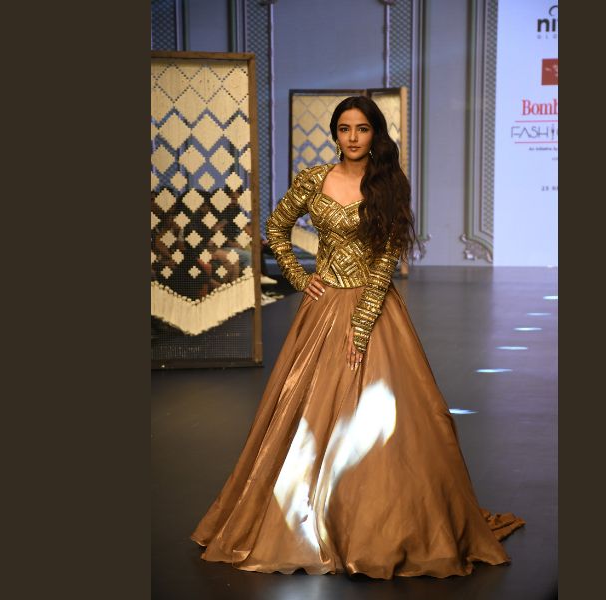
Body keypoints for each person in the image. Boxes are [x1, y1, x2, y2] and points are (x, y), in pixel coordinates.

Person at [191, 96, 525, 579]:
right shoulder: (313, 179)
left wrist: (363, 323)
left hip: (375, 306)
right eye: (344, 128)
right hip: (322, 307)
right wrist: (300, 277)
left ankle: (375, 527)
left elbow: (386, 259)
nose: (352, 137)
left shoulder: (388, 184)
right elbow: (275, 228)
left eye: (362, 128)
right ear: (334, 133)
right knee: (305, 415)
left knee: (402, 423)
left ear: (375, 134)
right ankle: (312, 519)